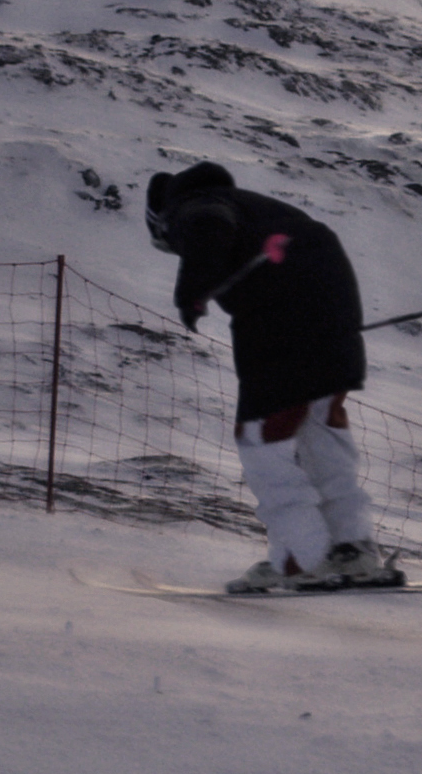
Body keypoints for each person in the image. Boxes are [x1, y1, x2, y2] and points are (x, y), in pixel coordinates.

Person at [147, 162, 398, 592]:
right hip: (336, 318)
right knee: (320, 428)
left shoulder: (196, 207)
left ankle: (301, 559)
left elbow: (209, 227)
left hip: (280, 329)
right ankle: (351, 551)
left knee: (262, 441)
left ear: (160, 219)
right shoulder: (259, 208)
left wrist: (191, 295)